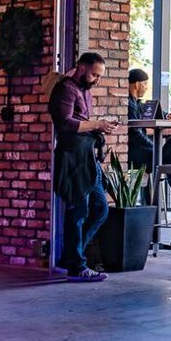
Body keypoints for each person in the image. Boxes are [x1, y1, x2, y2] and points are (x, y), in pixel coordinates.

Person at [48, 52, 119, 282]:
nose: (96, 80)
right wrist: (97, 124)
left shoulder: (84, 91)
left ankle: (71, 257)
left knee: (101, 209)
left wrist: (100, 127)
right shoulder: (66, 89)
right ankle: (77, 266)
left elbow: (83, 121)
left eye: (99, 76)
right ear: (80, 67)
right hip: (73, 158)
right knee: (78, 212)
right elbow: (65, 123)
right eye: (94, 74)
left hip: (89, 157)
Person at [126, 68, 153, 173]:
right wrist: (153, 146)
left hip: (135, 148)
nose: (146, 88)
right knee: (161, 156)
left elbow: (152, 111)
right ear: (137, 85)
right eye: (145, 84)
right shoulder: (129, 105)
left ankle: (150, 187)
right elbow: (135, 134)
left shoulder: (136, 104)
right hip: (131, 151)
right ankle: (152, 188)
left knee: (165, 155)